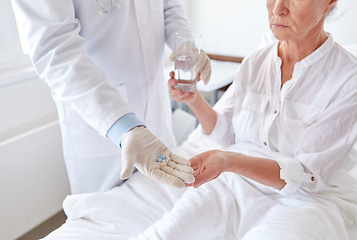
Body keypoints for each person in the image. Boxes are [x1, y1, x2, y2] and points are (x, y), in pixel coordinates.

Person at [129, 0, 357, 238]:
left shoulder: (349, 80)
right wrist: (193, 99)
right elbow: (227, 133)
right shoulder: (255, 63)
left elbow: (308, 175)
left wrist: (229, 161)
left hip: (306, 200)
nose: (278, 8)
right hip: (235, 183)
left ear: (329, 3)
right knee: (163, 234)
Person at [10, 0, 211, 194]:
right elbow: (56, 49)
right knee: (109, 220)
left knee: (166, 203)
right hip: (100, 121)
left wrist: (185, 45)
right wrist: (122, 125)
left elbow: (168, 6)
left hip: (156, 114)